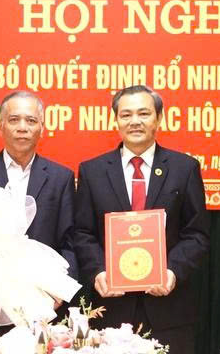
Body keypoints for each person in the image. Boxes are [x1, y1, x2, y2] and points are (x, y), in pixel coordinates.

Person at [73, 85, 210, 353]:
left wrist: (172, 271)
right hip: (110, 309)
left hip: (169, 311)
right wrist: (99, 271)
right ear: (116, 120)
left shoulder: (184, 168)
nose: (134, 121)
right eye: (126, 115)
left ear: (158, 118)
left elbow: (197, 234)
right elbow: (82, 233)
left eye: (143, 113)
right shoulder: (92, 171)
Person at [0, 91, 78, 338]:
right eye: (14, 120)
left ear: (42, 128)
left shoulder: (61, 177)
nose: (22, 127)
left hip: (43, 300)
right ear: (0, 126)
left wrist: (60, 290)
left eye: (31, 120)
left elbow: (70, 241)